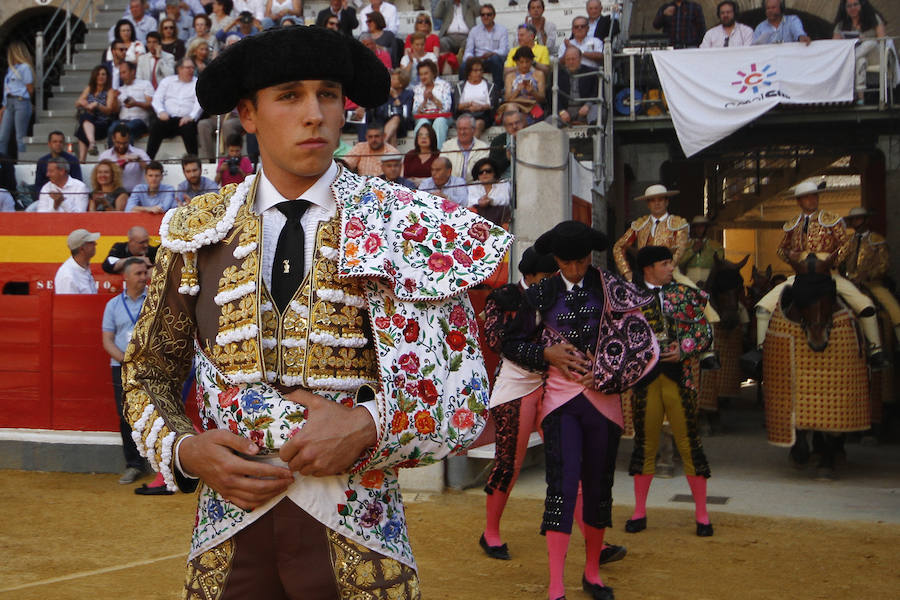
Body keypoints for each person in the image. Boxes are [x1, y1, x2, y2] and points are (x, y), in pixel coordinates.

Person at [122, 25, 510, 597]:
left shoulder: (405, 225)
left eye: (328, 94)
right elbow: (147, 372)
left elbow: (466, 387)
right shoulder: (197, 232)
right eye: (290, 95)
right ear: (248, 115)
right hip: (228, 536)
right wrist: (186, 450)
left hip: (359, 536)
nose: (315, 114)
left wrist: (370, 424)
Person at [507, 221, 658, 600]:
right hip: (560, 404)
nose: (574, 269)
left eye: (581, 261)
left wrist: (607, 372)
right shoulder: (540, 294)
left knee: (597, 487)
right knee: (561, 486)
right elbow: (510, 343)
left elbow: (642, 344)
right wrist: (545, 353)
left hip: (604, 403)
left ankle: (592, 573)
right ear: (555, 259)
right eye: (566, 262)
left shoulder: (613, 289)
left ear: (591, 256)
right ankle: (556, 584)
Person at [626, 245, 715, 538]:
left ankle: (702, 515)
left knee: (690, 445)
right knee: (645, 446)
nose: (670, 268)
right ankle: (639, 511)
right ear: (648, 267)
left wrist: (685, 347)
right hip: (645, 381)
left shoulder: (686, 295)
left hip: (682, 378)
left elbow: (705, 332)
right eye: (665, 264)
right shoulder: (628, 297)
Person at [754, 180, 886, 367]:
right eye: (807, 197)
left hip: (828, 274)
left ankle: (875, 350)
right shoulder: (792, 225)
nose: (812, 200)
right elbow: (781, 250)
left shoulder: (832, 219)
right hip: (801, 275)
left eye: (814, 196)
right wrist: (792, 257)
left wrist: (831, 261)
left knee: (866, 305)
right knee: (762, 308)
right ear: (799, 201)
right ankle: (761, 352)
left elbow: (845, 245)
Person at [479, 246, 557, 558]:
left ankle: (585, 532)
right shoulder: (504, 298)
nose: (552, 282)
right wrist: (543, 354)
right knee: (509, 463)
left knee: (568, 457)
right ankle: (490, 532)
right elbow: (498, 342)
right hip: (515, 387)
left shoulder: (555, 297)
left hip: (552, 383)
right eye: (547, 277)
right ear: (530, 276)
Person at [102, 257, 151, 486]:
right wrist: (126, 360)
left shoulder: (155, 300)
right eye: (139, 274)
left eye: (145, 273)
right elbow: (107, 341)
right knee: (125, 416)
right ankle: (134, 465)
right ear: (127, 277)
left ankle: (160, 463)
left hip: (150, 366)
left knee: (154, 413)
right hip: (121, 367)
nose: (143, 277)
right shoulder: (112, 305)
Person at [840, 206, 900, 342]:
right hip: (850, 283)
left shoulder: (877, 239)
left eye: (859, 218)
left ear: (866, 220)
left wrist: (867, 276)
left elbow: (884, 264)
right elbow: (840, 261)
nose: (856, 222)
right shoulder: (847, 241)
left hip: (872, 282)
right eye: (853, 219)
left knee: (894, 309)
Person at [833, 0, 887, 105]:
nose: (852, 8)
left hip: (875, 54)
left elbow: (882, 40)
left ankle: (849, 60)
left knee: (869, 43)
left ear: (862, 5)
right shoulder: (841, 24)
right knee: (860, 61)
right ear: (844, 8)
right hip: (859, 55)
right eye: (849, 6)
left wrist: (863, 39)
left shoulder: (873, 18)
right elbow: (835, 44)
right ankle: (860, 98)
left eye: (855, 5)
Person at [147, 58, 202, 158]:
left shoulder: (197, 83)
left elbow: (199, 104)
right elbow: (156, 99)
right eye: (188, 68)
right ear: (179, 69)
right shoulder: (167, 81)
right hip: (168, 118)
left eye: (192, 68)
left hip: (186, 120)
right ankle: (148, 159)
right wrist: (161, 112)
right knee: (156, 126)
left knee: (189, 129)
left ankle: (194, 160)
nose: (191, 70)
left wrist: (191, 116)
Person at [74, 65, 118, 160]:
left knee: (83, 124)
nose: (100, 77)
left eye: (103, 74)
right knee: (85, 118)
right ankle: (92, 144)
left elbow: (109, 110)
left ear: (107, 77)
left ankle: (82, 159)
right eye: (98, 74)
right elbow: (77, 103)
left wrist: (97, 105)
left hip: (102, 124)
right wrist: (84, 103)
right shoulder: (90, 88)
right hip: (89, 123)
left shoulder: (109, 91)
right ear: (94, 76)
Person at [0, 41, 34, 157]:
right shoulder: (11, 69)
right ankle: (2, 162)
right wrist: (4, 106)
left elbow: (30, 88)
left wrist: (22, 97)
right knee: (2, 136)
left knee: (20, 136)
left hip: (20, 101)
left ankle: (21, 160)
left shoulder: (25, 68)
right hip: (9, 103)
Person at [109, 61, 154, 144]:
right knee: (112, 129)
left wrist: (136, 103)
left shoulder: (145, 84)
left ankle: (127, 155)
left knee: (126, 129)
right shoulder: (120, 89)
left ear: (133, 72)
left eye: (124, 73)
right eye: (120, 73)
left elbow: (151, 105)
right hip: (122, 120)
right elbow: (115, 110)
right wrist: (115, 98)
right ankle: (114, 156)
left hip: (140, 121)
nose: (122, 76)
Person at [412, 59, 453, 149]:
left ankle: (436, 153)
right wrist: (425, 101)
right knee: (422, 123)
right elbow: (415, 112)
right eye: (421, 74)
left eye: (426, 73)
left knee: (439, 122)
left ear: (433, 73)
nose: (423, 77)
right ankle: (420, 152)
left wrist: (433, 99)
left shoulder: (444, 85)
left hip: (442, 116)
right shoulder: (418, 88)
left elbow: (446, 108)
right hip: (425, 117)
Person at [463, 5, 508, 85]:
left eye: (488, 14)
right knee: (464, 65)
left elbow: (503, 51)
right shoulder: (474, 31)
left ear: (494, 16)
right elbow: (468, 51)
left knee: (495, 59)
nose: (485, 17)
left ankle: (498, 90)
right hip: (478, 60)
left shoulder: (502, 30)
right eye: (483, 15)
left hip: (493, 60)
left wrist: (492, 53)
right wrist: (472, 58)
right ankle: (463, 92)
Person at [99, 124, 151, 192]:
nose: (121, 146)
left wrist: (139, 160)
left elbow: (151, 170)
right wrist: (121, 165)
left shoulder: (139, 153)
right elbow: (100, 177)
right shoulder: (105, 156)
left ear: (129, 139)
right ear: (113, 139)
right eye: (118, 143)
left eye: (125, 143)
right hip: (112, 195)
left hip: (135, 195)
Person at [556, 46, 600, 127]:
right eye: (568, 59)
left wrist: (588, 105)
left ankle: (593, 135)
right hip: (566, 112)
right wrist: (561, 111)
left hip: (585, 109)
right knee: (549, 121)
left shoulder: (591, 72)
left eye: (573, 59)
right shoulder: (558, 75)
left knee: (596, 111)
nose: (571, 62)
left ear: (580, 59)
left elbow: (596, 92)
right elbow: (553, 96)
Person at [454, 58, 496, 139]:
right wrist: (469, 104)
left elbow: (491, 105)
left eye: (480, 70)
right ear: (469, 72)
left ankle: (472, 148)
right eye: (475, 70)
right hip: (465, 114)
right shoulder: (460, 86)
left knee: (477, 124)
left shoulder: (489, 85)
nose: (479, 73)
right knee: (465, 124)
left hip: (483, 115)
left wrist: (480, 107)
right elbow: (457, 106)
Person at [34, 131, 83, 201]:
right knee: (29, 210)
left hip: (68, 198)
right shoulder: (42, 161)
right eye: (55, 142)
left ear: (64, 144)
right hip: (46, 198)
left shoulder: (73, 160)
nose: (58, 144)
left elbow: (78, 182)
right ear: (49, 144)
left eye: (60, 142)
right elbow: (38, 185)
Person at [441, 113, 489, 183]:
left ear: (474, 130)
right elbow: (442, 170)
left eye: (465, 129)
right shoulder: (447, 146)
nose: (462, 132)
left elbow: (483, 173)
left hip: (475, 188)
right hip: (451, 187)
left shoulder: (483, 148)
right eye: (459, 129)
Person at [502, 47, 546, 122]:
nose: (524, 65)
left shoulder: (539, 74)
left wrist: (533, 92)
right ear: (516, 62)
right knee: (511, 109)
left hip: (533, 106)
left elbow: (542, 98)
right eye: (521, 62)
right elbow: (507, 99)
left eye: (527, 62)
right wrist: (517, 90)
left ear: (531, 61)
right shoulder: (510, 76)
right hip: (516, 107)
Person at [371, 68, 414, 146]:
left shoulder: (408, 94)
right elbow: (380, 113)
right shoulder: (385, 93)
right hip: (385, 125)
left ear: (401, 84)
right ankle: (392, 156)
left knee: (396, 118)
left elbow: (405, 114)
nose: (390, 80)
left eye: (393, 79)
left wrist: (395, 97)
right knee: (393, 131)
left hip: (402, 125)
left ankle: (380, 145)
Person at [678, 215, 724, 286]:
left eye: (702, 226)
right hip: (689, 279)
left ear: (707, 228)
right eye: (696, 227)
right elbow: (679, 263)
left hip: (709, 280)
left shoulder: (716, 246)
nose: (699, 229)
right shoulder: (686, 245)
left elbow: (720, 265)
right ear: (693, 229)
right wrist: (692, 251)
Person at [466, 157, 509, 225]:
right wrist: (479, 201)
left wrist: (491, 200)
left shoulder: (503, 184)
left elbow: (506, 200)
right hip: (477, 222)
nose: (484, 174)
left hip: (499, 220)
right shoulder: (472, 186)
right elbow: (468, 201)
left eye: (488, 171)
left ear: (494, 172)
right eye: (481, 172)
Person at [55, 229, 99, 294]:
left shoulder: (83, 268)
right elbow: (69, 303)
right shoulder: (67, 276)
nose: (95, 244)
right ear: (82, 249)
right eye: (91, 242)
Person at [489, 108, 526, 178]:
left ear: (523, 123)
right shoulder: (498, 141)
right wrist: (507, 159)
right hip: (505, 183)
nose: (514, 126)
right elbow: (493, 170)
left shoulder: (531, 138)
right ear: (505, 127)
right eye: (510, 124)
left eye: (517, 123)